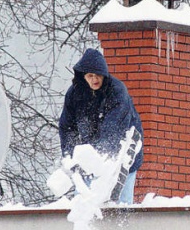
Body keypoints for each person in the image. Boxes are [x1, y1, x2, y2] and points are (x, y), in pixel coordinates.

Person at [59, 48, 143, 204]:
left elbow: (112, 130)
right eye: (89, 76)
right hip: (90, 156)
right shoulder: (75, 94)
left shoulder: (117, 92)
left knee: (120, 204)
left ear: (104, 74)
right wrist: (71, 158)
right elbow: (67, 128)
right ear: (83, 76)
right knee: (83, 201)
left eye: (97, 75)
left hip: (123, 152)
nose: (94, 79)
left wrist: (98, 162)